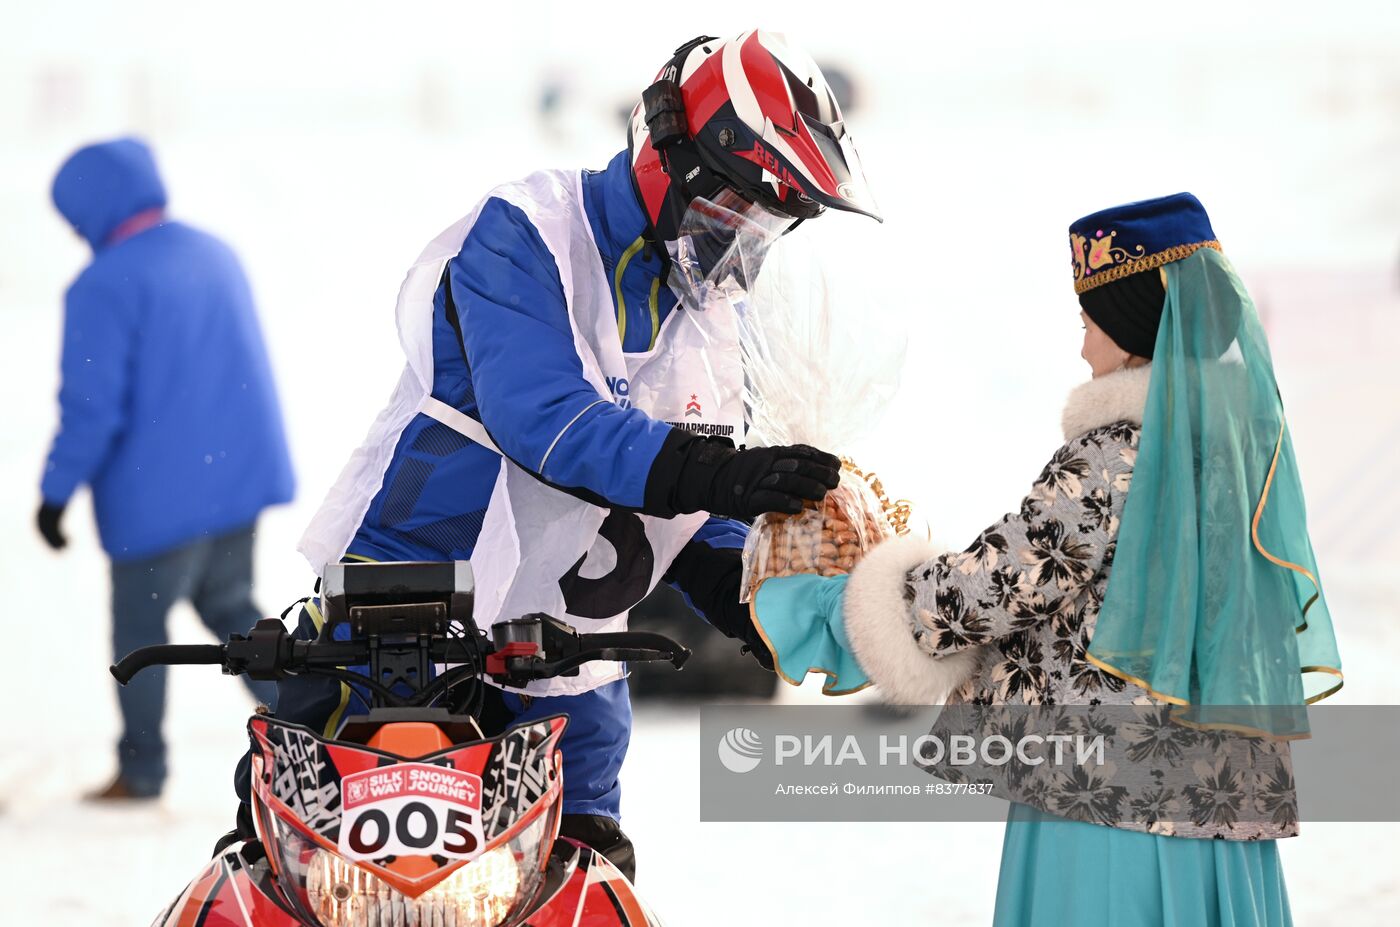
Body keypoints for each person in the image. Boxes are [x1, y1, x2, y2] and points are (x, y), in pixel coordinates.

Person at [245, 30, 881, 879]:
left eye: (766, 226)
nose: (742, 245)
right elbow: (545, 420)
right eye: (734, 209)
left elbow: (685, 509)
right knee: (346, 877)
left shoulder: (717, 310)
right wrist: (723, 476)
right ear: (672, 158)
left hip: (567, 650)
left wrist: (753, 598)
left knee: (577, 877)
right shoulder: (530, 233)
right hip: (405, 617)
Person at [751, 193, 1343, 925]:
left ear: (1128, 330)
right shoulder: (1232, 454)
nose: (1082, 343)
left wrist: (847, 600)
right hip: (1219, 793)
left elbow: (1001, 583)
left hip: (1111, 799)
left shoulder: (1117, 454)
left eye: (1088, 318)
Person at [40, 138, 295, 801]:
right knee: (233, 612)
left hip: (156, 503)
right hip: (234, 485)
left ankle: (143, 768)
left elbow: (91, 408)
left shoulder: (103, 284)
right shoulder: (213, 253)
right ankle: (316, 729)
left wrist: (55, 494)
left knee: (140, 637)